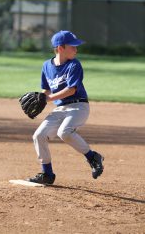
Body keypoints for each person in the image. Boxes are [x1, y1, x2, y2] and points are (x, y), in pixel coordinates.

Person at [28, 30, 104, 185]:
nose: (76, 49)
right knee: (39, 136)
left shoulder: (74, 64)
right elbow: (47, 90)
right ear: (60, 48)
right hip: (60, 109)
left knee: (65, 132)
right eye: (73, 46)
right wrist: (42, 98)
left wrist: (48, 99)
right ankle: (47, 174)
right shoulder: (46, 66)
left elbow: (71, 89)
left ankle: (92, 157)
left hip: (78, 106)